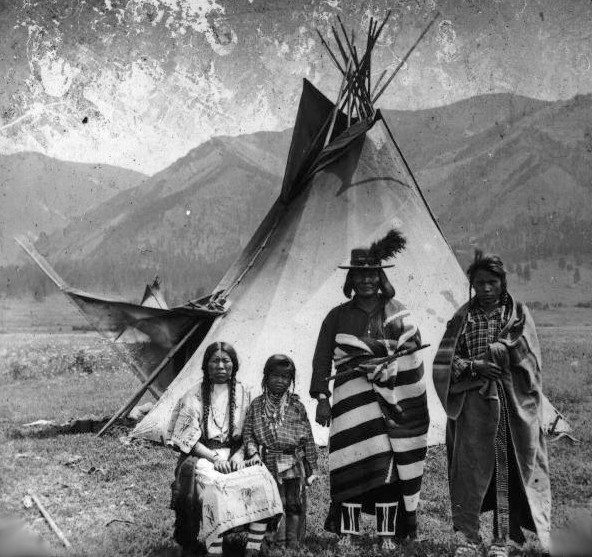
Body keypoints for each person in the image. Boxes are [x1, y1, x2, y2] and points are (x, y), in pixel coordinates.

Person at [310, 229, 430, 549]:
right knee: (351, 461)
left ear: (380, 276)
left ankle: (387, 534)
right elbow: (322, 359)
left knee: (386, 465)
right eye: (360, 275)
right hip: (349, 401)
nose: (366, 281)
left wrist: (388, 367)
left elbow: (411, 351)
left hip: (388, 401)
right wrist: (322, 399)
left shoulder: (397, 311)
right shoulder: (337, 316)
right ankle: (348, 533)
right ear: (351, 279)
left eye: (372, 274)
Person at [433, 251, 552, 557]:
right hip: (473, 403)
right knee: (469, 469)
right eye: (479, 283)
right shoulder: (463, 317)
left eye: (492, 282)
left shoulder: (518, 315)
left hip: (510, 406)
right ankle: (470, 537)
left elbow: (530, 357)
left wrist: (502, 352)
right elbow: (447, 360)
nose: (486, 288)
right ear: (471, 284)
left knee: (506, 468)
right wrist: (476, 366)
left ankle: (503, 538)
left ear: (503, 282)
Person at [166, 341, 283, 557]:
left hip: (237, 455)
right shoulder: (193, 396)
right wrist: (214, 458)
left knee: (262, 480)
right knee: (215, 490)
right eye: (215, 361)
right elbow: (188, 439)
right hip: (203, 457)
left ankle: (253, 548)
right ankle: (215, 550)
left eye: (225, 360)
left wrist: (239, 455)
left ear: (234, 365)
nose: (220, 366)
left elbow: (251, 431)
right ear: (206, 365)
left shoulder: (245, 393)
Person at [242, 354, 318, 550]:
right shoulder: (257, 405)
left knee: (293, 503)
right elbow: (248, 433)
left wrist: (312, 467)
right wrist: (253, 453)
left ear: (290, 381)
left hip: (292, 462)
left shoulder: (297, 406)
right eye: (275, 375)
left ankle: (293, 543)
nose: (280, 380)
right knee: (269, 503)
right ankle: (271, 542)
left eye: (285, 377)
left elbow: (308, 437)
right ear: (266, 377)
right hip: (266, 461)